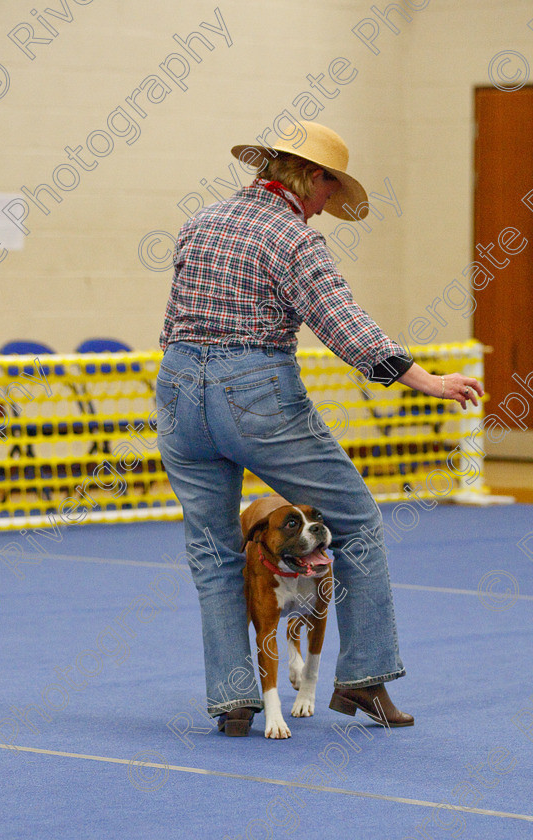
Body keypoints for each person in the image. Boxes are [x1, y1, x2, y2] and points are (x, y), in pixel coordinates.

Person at [156, 121, 483, 737]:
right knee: (355, 518)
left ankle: (233, 700)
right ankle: (363, 675)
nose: (328, 206)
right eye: (330, 192)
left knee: (211, 549)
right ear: (313, 177)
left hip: (176, 389)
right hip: (254, 391)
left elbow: (177, 318)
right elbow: (343, 324)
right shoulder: (294, 238)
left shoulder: (197, 222)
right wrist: (428, 381)